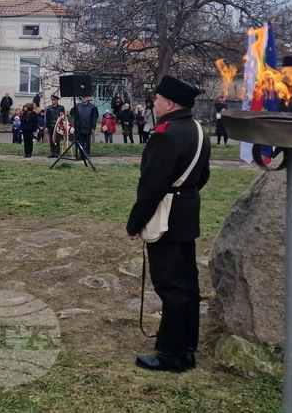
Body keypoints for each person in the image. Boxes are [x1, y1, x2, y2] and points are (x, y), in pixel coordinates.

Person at [126, 75, 210, 373]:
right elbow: (203, 176)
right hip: (187, 213)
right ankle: (186, 345)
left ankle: (171, 354)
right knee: (188, 281)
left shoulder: (166, 134)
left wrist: (135, 224)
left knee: (170, 286)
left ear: (170, 103)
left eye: (158, 100)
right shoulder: (198, 130)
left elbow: (151, 186)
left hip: (166, 215)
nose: (155, 104)